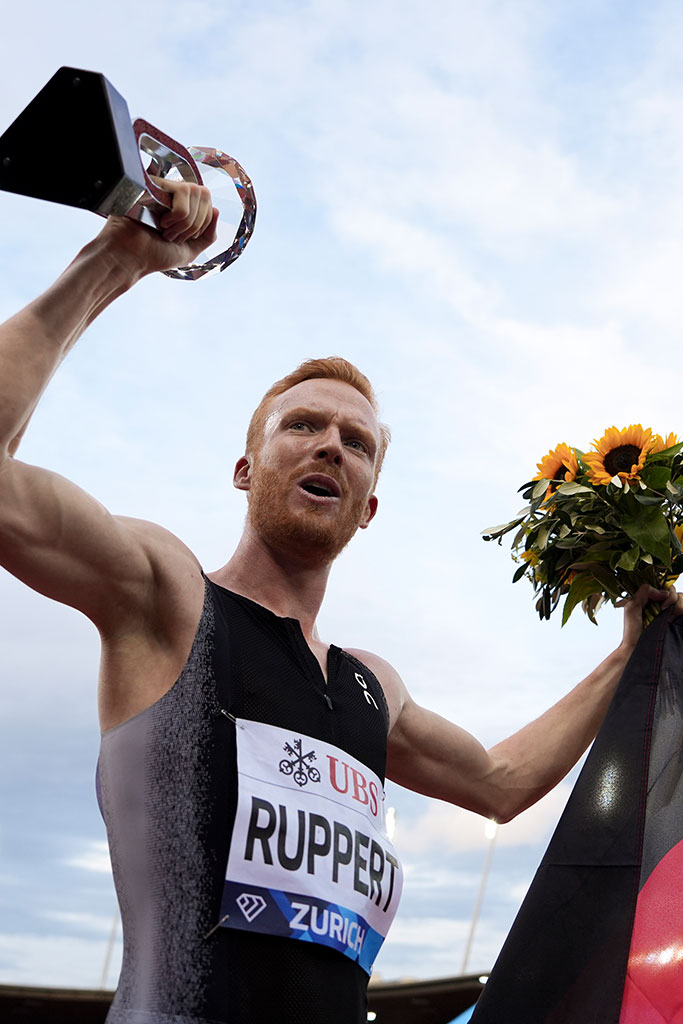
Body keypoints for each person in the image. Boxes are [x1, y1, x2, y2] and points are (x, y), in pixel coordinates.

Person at [0, 180, 676, 1024]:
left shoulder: (370, 688)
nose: (330, 445)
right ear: (244, 470)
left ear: (368, 508)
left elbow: (501, 784)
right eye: (302, 426)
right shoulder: (167, 597)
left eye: (356, 443)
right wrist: (116, 260)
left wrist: (625, 654)